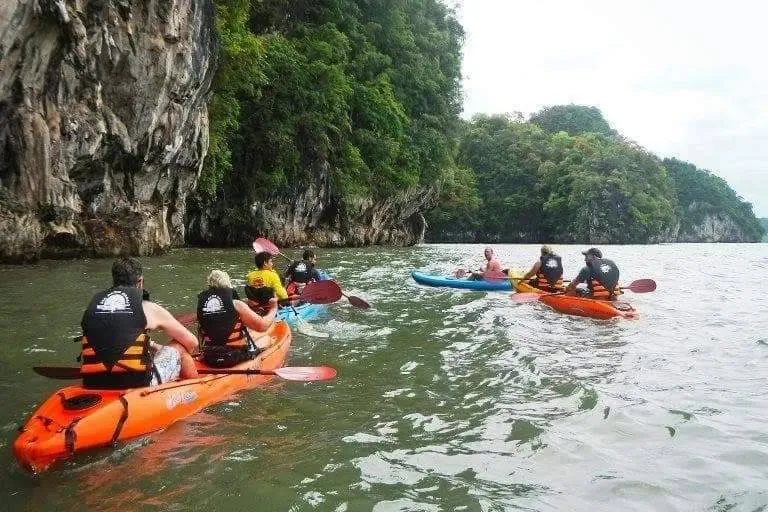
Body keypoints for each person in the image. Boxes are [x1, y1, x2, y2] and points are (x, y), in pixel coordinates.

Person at [79, 257, 199, 390]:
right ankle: (194, 393)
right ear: (140, 282)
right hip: (135, 382)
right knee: (179, 347)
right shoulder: (147, 307)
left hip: (92, 382)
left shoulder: (93, 306)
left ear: (114, 281)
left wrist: (151, 344)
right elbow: (192, 343)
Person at [197, 270, 277, 367]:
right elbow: (262, 326)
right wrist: (273, 308)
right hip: (233, 356)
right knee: (268, 340)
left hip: (210, 357)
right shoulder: (237, 304)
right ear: (228, 284)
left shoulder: (202, 306)